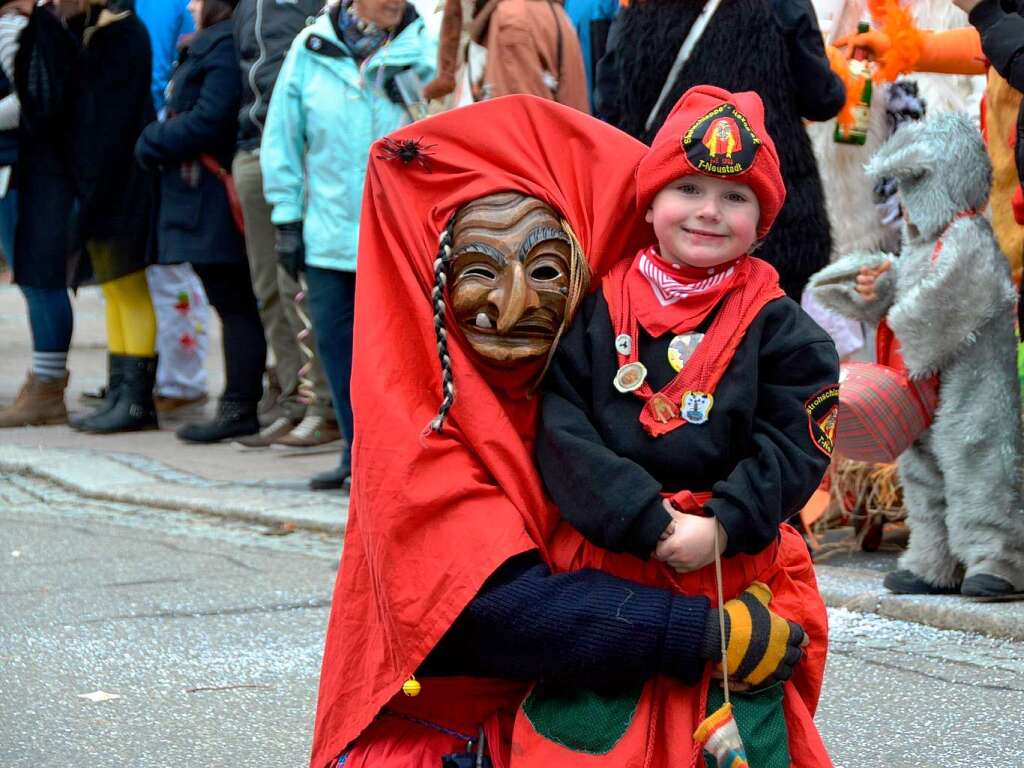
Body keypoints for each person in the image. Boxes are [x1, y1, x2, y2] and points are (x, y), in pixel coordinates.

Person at [308, 96, 809, 768]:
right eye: (481, 271)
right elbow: (502, 615)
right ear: (436, 283)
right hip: (457, 728)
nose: (513, 306)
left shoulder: (626, 338)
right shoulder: (423, 424)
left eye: (545, 272)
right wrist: (702, 630)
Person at [528, 85, 837, 766]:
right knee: (584, 744)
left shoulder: (787, 332)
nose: (707, 211)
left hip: (734, 569)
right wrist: (647, 522)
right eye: (688, 188)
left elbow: (792, 448)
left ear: (763, 220)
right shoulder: (597, 308)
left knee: (739, 744)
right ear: (650, 200)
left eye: (735, 197)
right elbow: (561, 426)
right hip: (614, 567)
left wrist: (721, 525)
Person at [260, 0, 435, 488]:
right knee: (339, 352)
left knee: (397, 358)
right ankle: (355, 456)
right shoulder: (311, 48)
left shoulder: (425, 50)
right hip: (328, 237)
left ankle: (398, 464)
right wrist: (287, 219)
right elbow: (283, 138)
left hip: (400, 238)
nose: (394, 3)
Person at [594, 0, 845, 300]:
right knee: (763, 328)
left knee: (657, 323)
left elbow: (610, 105)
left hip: (665, 206)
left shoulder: (638, 5)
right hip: (762, 216)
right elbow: (822, 98)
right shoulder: (781, 5)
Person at [136, 0, 267, 443]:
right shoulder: (215, 43)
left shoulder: (222, 45)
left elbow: (211, 119)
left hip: (210, 198)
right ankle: (247, 401)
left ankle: (239, 406)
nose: (190, 4)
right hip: (200, 197)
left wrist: (153, 138)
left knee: (236, 304)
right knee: (233, 302)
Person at [231, 0, 340, 451]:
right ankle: (293, 398)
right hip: (253, 148)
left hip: (303, 153)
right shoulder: (245, 8)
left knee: (305, 286)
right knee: (269, 286)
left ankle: (325, 406)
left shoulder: (318, 7)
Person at [63, 0, 160, 434]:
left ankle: (136, 403)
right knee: (116, 291)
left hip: (121, 183)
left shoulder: (123, 34)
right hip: (103, 182)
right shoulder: (98, 31)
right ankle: (121, 391)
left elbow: (114, 123)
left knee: (128, 289)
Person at [0, 0, 79, 428]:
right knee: (32, 276)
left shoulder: (10, 30)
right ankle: (43, 384)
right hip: (19, 170)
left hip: (23, 172)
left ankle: (47, 387)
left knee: (36, 277)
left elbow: (30, 96)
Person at [135, 0, 212, 416]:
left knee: (175, 272)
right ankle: (167, 376)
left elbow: (158, 77)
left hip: (167, 148)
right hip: (158, 142)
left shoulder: (163, 6)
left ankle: (184, 381)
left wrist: (154, 132)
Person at [469, 0, 589, 111]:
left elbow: (522, 113)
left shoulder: (512, 18)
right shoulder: (554, 11)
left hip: (543, 129)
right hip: (569, 127)